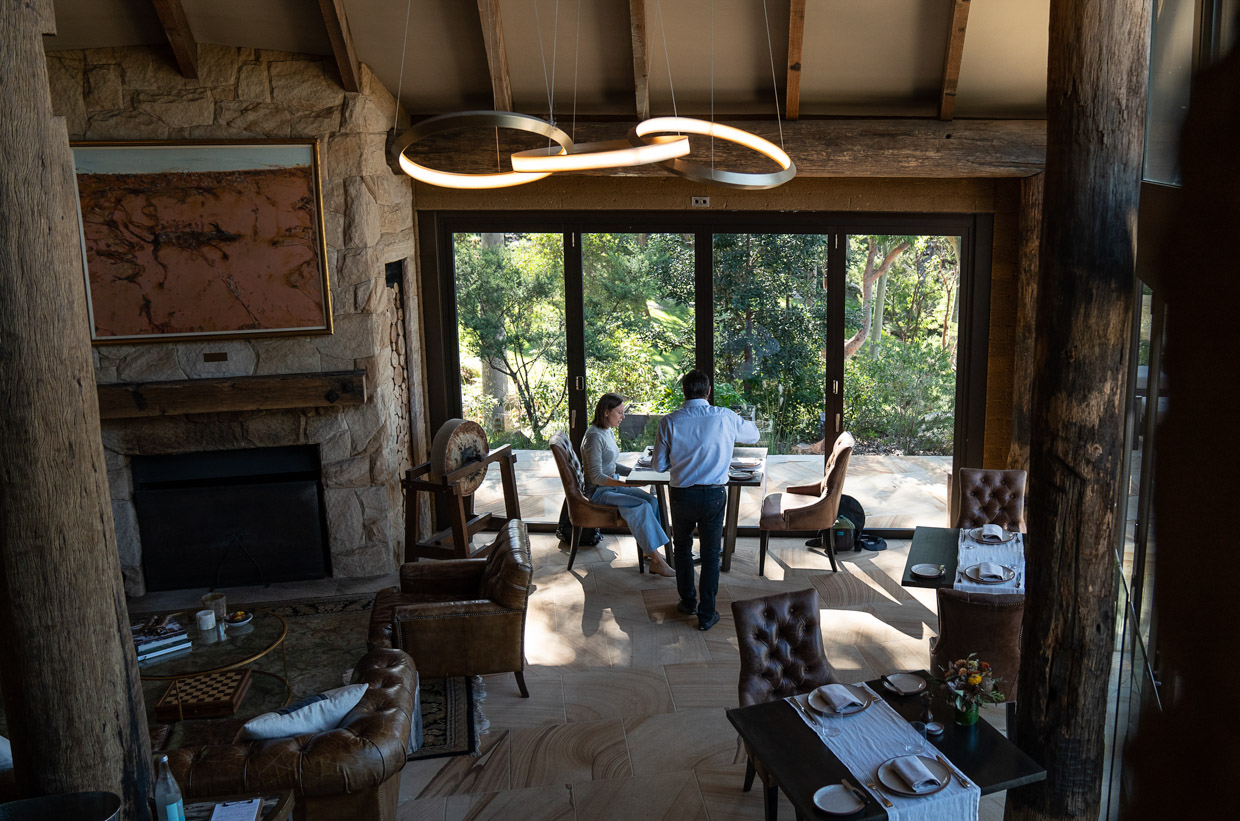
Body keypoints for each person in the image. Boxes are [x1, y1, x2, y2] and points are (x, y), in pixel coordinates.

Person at [654, 370, 760, 630]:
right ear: (708, 391)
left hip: (682, 495)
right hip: (713, 494)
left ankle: (688, 602)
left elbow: (658, 466)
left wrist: (676, 459)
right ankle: (707, 613)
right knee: (711, 554)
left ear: (683, 391)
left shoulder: (670, 421)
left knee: (682, 548)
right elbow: (754, 435)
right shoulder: (725, 416)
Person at [581, 392, 676, 577]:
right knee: (639, 506)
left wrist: (634, 471)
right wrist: (627, 484)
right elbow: (596, 477)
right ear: (606, 412)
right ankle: (657, 560)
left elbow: (610, 464)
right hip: (598, 492)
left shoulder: (606, 430)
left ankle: (649, 550)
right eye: (619, 412)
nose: (623, 417)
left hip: (611, 487)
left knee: (652, 501)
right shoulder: (594, 436)